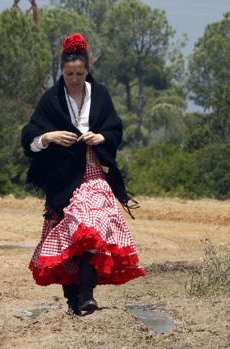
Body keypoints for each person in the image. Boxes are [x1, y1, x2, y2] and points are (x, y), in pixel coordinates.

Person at [21, 33, 146, 316]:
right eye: (68, 74)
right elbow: (29, 136)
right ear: (61, 71)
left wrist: (101, 138)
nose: (74, 78)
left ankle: (87, 293)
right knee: (70, 237)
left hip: (94, 173)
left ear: (87, 70)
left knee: (92, 226)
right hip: (62, 178)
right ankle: (72, 298)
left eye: (79, 73)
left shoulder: (100, 95)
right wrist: (49, 137)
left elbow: (115, 129)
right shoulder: (51, 99)